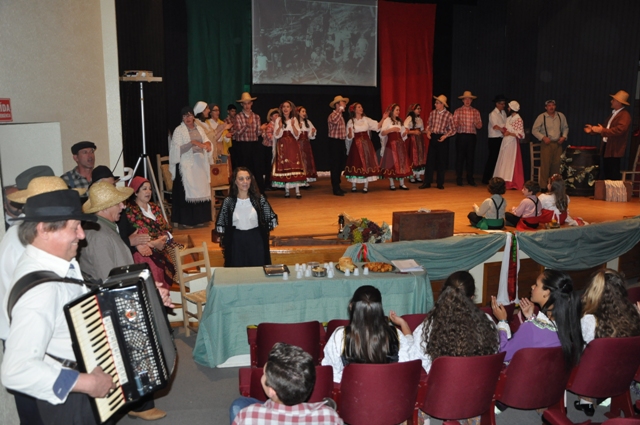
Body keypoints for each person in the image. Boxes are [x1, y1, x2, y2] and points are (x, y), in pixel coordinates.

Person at [1, 190, 114, 424]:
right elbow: (16, 371)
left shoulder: (56, 263)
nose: (81, 235)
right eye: (74, 227)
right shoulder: (41, 291)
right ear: (44, 229)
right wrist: (88, 383)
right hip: (72, 400)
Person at [78, 181, 170, 421]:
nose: (122, 206)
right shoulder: (99, 235)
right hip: (118, 303)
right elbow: (108, 278)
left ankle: (138, 402)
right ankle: (138, 404)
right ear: (105, 207)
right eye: (118, 203)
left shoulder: (104, 228)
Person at [576, 269, 640, 416]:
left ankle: (586, 399)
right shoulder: (633, 313)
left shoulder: (589, 320)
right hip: (624, 372)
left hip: (592, 376)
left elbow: (581, 349)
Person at [407, 271, 498, 374]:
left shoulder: (427, 328)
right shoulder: (487, 322)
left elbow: (416, 360)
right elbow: (494, 351)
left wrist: (407, 336)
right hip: (481, 381)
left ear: (443, 294)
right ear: (472, 297)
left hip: (443, 382)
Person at [231, 343, 343, 425]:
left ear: (272, 391)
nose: (262, 376)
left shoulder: (248, 416)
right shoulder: (330, 417)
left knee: (238, 404)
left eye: (264, 374)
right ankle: (322, 405)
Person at [491, 269, 583, 368]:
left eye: (536, 284)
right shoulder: (572, 323)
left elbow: (504, 354)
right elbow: (543, 337)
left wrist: (502, 321)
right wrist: (530, 317)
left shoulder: (530, 329)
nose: (532, 286)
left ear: (547, 292)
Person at [321, 285, 412, 383]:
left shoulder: (340, 336)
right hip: (388, 389)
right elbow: (408, 364)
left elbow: (332, 372)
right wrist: (403, 324)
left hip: (353, 390)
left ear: (351, 306)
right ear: (379, 309)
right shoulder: (396, 334)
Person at [119, 176, 182, 290]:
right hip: (144, 252)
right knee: (154, 280)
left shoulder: (154, 207)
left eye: (150, 189)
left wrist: (163, 239)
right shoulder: (129, 211)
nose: (148, 191)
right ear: (136, 192)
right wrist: (153, 243)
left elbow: (166, 228)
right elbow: (133, 235)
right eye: (144, 189)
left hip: (162, 248)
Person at [216, 167, 278, 268]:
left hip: (255, 240)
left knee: (257, 270)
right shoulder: (228, 202)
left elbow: (270, 220)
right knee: (237, 271)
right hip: (236, 241)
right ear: (235, 181)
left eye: (248, 178)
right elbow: (223, 225)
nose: (245, 182)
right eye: (241, 179)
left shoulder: (259, 199)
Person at [169, 106, 213, 228]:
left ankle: (200, 218)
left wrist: (208, 144)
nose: (187, 118)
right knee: (187, 190)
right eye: (184, 116)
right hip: (186, 164)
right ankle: (187, 220)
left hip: (200, 164)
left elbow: (206, 141)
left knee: (201, 189)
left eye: (189, 115)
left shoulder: (200, 128)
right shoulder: (179, 130)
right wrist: (192, 143)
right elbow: (176, 150)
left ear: (193, 116)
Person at [584, 90, 632, 180]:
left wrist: (601, 130)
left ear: (619, 102)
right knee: (607, 172)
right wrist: (593, 129)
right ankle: (608, 188)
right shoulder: (614, 114)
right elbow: (605, 127)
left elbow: (619, 130)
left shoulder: (624, 115)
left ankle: (613, 189)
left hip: (615, 149)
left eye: (613, 100)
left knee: (613, 173)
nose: (611, 101)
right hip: (608, 148)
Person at [344, 102, 384, 193]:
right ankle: (354, 185)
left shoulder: (366, 120)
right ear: (354, 110)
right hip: (356, 145)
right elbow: (349, 137)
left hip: (366, 144)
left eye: (361, 107)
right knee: (356, 163)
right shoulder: (351, 122)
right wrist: (349, 133)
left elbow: (377, 126)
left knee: (367, 163)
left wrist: (383, 118)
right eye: (359, 107)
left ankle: (366, 186)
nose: (361, 108)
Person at [271, 101, 307, 198]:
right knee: (285, 165)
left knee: (294, 164)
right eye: (284, 107)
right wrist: (279, 126)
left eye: (287, 107)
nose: (285, 109)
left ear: (291, 109)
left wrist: (293, 125)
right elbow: (276, 135)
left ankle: (297, 190)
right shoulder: (278, 119)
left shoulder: (294, 119)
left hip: (292, 145)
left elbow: (297, 134)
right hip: (282, 145)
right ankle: (286, 190)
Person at [531, 100, 569, 187]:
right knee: (545, 165)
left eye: (553, 105)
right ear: (546, 107)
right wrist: (543, 137)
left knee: (556, 165)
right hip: (546, 144)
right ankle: (543, 186)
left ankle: (554, 186)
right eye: (549, 105)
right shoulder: (542, 117)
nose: (551, 107)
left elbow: (565, 127)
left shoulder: (560, 116)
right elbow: (534, 130)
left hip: (558, 144)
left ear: (555, 106)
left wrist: (564, 137)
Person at [421, 95, 455, 190]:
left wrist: (445, 136)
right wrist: (428, 132)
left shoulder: (449, 115)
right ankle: (427, 182)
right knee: (430, 161)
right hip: (434, 137)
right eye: (435, 103)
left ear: (442, 104)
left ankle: (440, 183)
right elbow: (429, 124)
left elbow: (453, 129)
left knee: (441, 161)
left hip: (442, 138)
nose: (435, 104)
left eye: (437, 103)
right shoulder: (433, 113)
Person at [233, 92, 264, 192]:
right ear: (242, 104)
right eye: (245, 103)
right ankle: (243, 191)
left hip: (254, 145)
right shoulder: (238, 117)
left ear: (251, 104)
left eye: (248, 103)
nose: (247, 106)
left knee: (257, 168)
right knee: (244, 169)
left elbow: (258, 133)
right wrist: (247, 125)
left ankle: (260, 192)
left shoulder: (256, 117)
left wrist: (261, 129)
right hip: (243, 146)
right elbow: (237, 133)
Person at [453, 91, 483, 186]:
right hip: (461, 136)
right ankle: (459, 178)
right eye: (465, 99)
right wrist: (458, 123)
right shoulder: (458, 111)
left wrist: (476, 123)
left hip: (471, 137)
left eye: (469, 99)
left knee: (470, 158)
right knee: (460, 158)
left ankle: (470, 178)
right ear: (462, 100)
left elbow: (480, 126)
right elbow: (453, 125)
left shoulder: (476, 112)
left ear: (471, 100)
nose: (467, 101)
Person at [493, 100, 524, 190]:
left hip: (512, 142)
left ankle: (511, 182)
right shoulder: (509, 118)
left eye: (509, 107)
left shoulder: (518, 119)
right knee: (504, 161)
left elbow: (520, 134)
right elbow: (506, 129)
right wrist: (500, 129)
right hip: (506, 141)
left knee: (510, 162)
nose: (508, 108)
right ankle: (503, 181)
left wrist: (510, 133)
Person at [379, 103, 411, 190]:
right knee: (391, 163)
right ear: (392, 111)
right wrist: (391, 129)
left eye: (399, 110)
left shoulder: (399, 121)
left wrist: (405, 132)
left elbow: (402, 134)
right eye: (397, 110)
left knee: (401, 162)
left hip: (400, 144)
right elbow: (382, 133)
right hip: (391, 144)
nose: (398, 111)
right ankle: (392, 184)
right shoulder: (387, 120)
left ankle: (402, 183)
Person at [327, 95, 349, 196]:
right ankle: (335, 188)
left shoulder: (341, 116)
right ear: (337, 105)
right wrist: (340, 110)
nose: (345, 105)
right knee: (335, 165)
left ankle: (338, 185)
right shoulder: (333, 115)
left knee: (340, 164)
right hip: (334, 142)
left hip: (340, 142)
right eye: (343, 103)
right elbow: (334, 121)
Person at [483, 95, 508, 184]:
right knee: (492, 158)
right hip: (494, 139)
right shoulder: (493, 114)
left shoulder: (503, 113)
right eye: (501, 104)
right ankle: (486, 178)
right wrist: (504, 130)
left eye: (504, 104)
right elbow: (495, 127)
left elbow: (505, 124)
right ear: (497, 104)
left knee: (499, 159)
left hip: (501, 138)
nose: (503, 105)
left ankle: (495, 177)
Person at [404, 104, 427, 184]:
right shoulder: (409, 118)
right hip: (413, 140)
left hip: (419, 140)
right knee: (413, 157)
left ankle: (418, 175)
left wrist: (426, 131)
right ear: (413, 110)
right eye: (417, 109)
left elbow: (421, 130)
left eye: (420, 108)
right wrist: (413, 132)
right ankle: (411, 176)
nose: (419, 110)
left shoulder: (420, 119)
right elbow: (405, 130)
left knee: (420, 157)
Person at [296, 106, 318, 185]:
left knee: (306, 161)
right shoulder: (295, 122)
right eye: (302, 111)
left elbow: (310, 136)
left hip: (306, 144)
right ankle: (299, 179)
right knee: (300, 161)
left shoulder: (308, 122)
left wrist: (312, 132)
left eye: (305, 111)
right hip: (298, 144)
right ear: (298, 113)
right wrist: (298, 127)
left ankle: (306, 179)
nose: (304, 113)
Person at [260, 108, 279, 191]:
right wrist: (278, 139)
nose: (277, 117)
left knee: (273, 165)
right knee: (269, 166)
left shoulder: (277, 125)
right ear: (271, 117)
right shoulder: (270, 126)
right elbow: (269, 137)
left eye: (278, 115)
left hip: (274, 147)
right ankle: (267, 184)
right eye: (275, 115)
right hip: (268, 148)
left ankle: (272, 182)